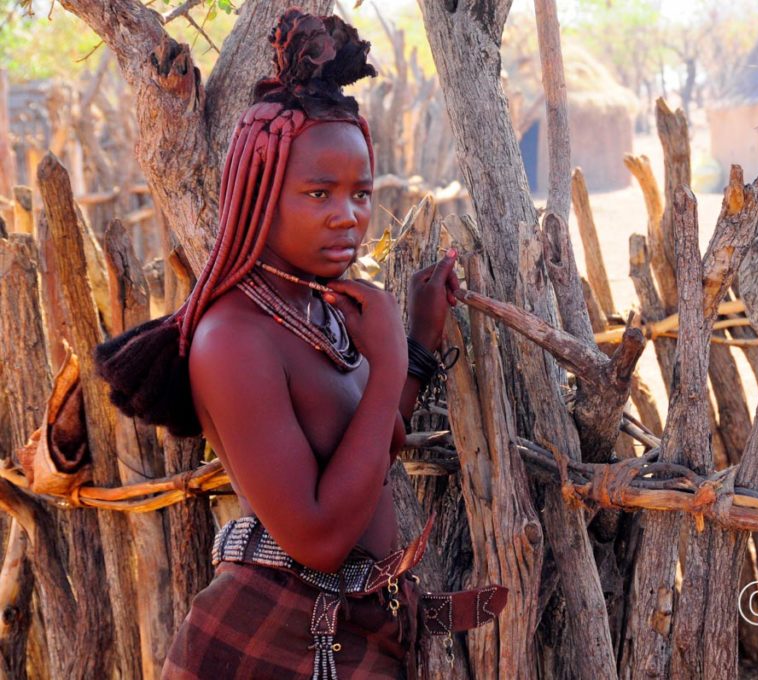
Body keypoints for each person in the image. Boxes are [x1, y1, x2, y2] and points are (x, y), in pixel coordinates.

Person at [96, 9, 505, 680]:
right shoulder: (235, 338)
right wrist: (390, 362)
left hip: (350, 627)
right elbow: (316, 539)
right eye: (319, 192)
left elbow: (371, 448)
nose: (347, 215)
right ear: (259, 197)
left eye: (360, 193)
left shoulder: (319, 307)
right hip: (273, 632)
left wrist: (419, 339)